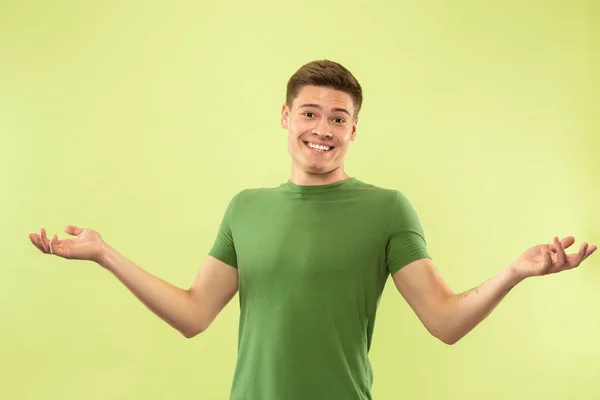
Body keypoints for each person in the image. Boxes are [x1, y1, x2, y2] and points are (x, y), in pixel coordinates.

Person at [29, 60, 596, 400]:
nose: (322, 129)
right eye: (310, 113)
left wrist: (515, 272)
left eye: (338, 117)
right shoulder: (245, 207)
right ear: (285, 116)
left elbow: (445, 321)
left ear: (354, 129)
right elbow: (194, 314)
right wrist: (105, 254)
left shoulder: (388, 209)